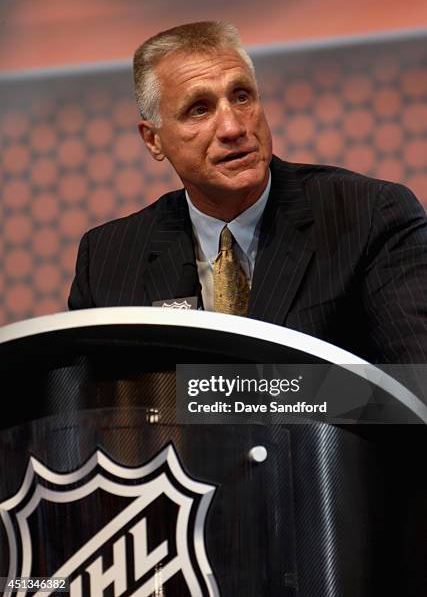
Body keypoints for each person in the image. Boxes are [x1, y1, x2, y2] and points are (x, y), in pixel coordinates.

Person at [69, 21, 427, 364]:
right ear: (153, 139)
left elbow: (414, 387)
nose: (232, 127)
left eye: (241, 97)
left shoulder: (367, 216)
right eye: (199, 109)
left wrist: (230, 398)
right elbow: (87, 411)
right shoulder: (107, 260)